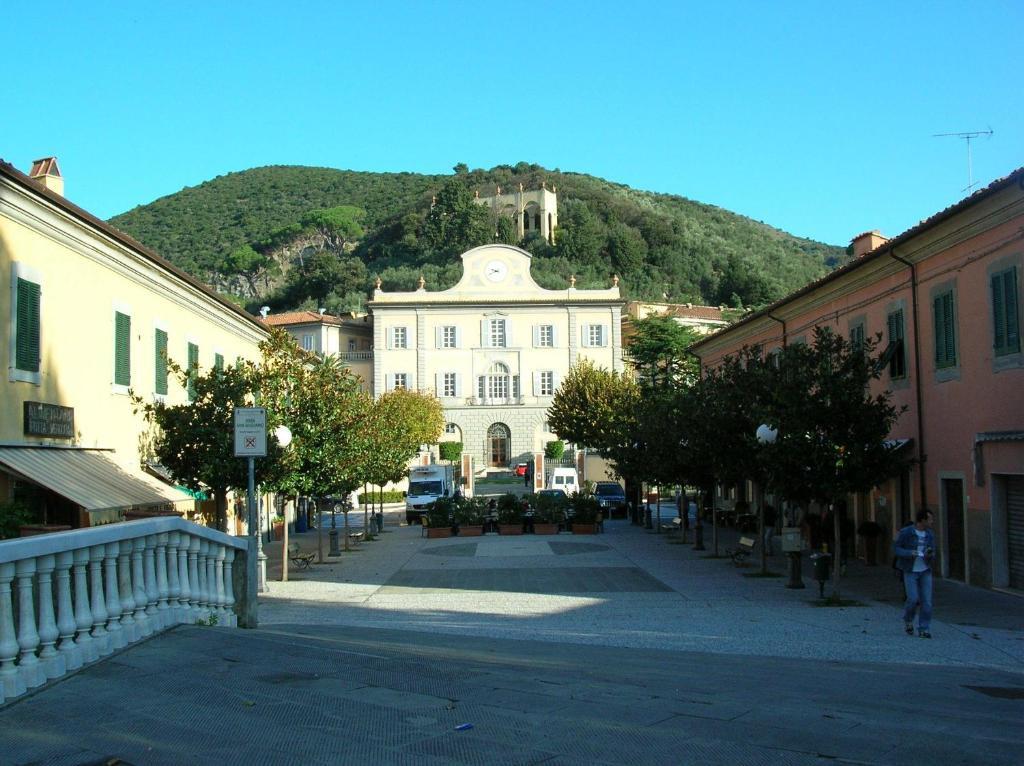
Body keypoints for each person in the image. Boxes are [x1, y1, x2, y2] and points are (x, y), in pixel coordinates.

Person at [893, 509, 936, 638]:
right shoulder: (907, 532)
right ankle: (908, 620)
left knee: (927, 602)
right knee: (912, 599)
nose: (932, 522)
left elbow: (933, 551)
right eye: (930, 519)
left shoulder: (930, 534)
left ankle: (924, 628)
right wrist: (909, 553)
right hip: (910, 569)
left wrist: (930, 554)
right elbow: (896, 548)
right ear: (922, 520)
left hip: (925, 570)